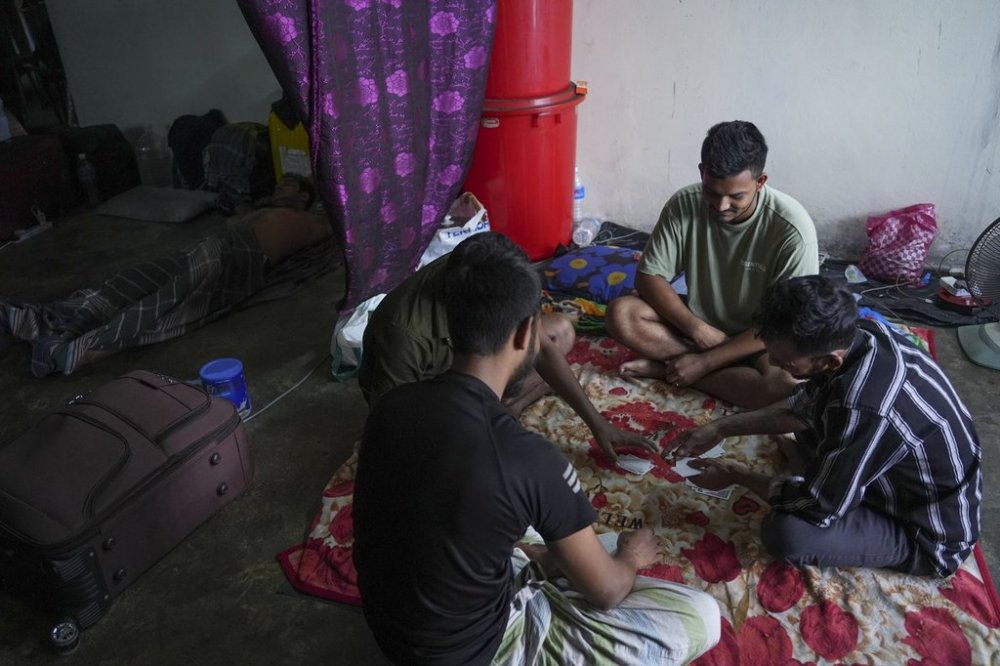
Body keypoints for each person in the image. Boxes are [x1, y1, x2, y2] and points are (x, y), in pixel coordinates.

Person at [353, 232, 720, 665]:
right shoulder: (529, 458)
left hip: (392, 629)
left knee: (530, 527)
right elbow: (608, 592)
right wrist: (631, 557)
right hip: (475, 651)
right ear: (528, 330)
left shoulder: (393, 405)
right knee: (702, 615)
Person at [672, 276, 981, 576]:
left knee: (788, 533)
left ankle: (825, 482)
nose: (775, 365)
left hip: (923, 531)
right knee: (813, 423)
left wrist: (735, 475)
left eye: (785, 362)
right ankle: (818, 472)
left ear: (831, 361)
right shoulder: (860, 336)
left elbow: (819, 507)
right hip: (888, 469)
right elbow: (802, 406)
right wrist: (719, 428)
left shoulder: (862, 406)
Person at [357, 232, 657, 464]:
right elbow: (389, 427)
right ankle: (486, 414)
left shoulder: (488, 272)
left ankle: (501, 408)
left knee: (562, 332)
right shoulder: (406, 332)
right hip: (430, 393)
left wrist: (597, 423)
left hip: (471, 367)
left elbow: (538, 343)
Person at [605, 121, 819, 408]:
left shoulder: (793, 229)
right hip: (699, 329)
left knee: (786, 385)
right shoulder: (684, 203)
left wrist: (705, 363)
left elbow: (786, 323)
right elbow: (648, 277)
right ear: (701, 173)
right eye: (712, 192)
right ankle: (698, 370)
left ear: (761, 182)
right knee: (622, 313)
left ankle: (672, 370)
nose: (721, 206)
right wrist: (696, 329)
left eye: (736, 196)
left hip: (759, 338)